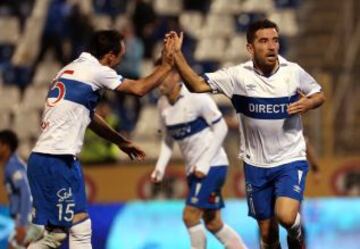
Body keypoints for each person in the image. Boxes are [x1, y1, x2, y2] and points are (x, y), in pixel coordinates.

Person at [165, 19, 325, 249]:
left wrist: (308, 104)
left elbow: (319, 94)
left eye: (275, 40)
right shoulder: (237, 77)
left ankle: (296, 233)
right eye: (264, 41)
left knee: (287, 217)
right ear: (250, 47)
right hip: (256, 165)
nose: (271, 46)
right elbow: (197, 85)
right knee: (268, 235)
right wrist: (178, 56)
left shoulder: (293, 72)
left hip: (290, 159)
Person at [26, 30, 175, 249]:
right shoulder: (96, 71)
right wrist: (169, 65)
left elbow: (89, 117)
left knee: (68, 229)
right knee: (59, 235)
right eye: (120, 57)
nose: (119, 63)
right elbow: (139, 88)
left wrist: (121, 141)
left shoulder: (68, 70)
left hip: (45, 159)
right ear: (110, 57)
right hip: (58, 160)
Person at [150, 67, 248, 249]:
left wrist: (204, 162)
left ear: (176, 76)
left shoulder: (197, 97)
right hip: (194, 170)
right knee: (213, 223)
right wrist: (160, 167)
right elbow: (167, 138)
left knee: (190, 216)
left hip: (212, 165)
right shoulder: (162, 104)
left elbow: (221, 128)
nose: (158, 81)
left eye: (162, 76)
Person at [0, 130, 43, 249]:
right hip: (28, 219)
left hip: (27, 220)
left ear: (5, 146)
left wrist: (23, 224)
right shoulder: (12, 164)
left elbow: (26, 192)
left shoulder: (13, 166)